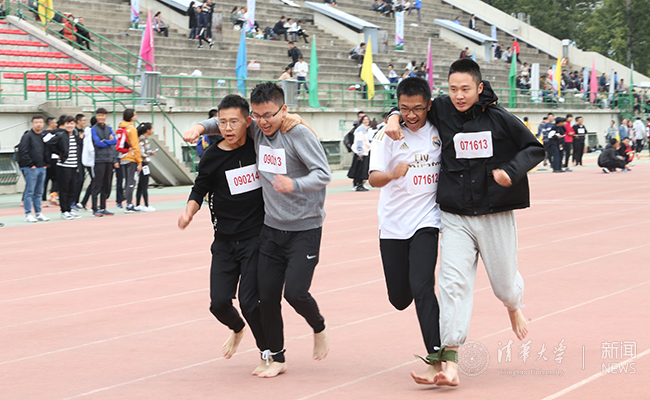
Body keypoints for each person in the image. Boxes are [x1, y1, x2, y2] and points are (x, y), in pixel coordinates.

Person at [384, 59, 544, 386]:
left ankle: (513, 304)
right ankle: (451, 364)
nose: (459, 95)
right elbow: (412, 107)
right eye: (453, 89)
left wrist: (510, 172)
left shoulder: (499, 118)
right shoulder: (441, 109)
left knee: (503, 285)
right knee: (452, 285)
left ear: (479, 88)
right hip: (455, 216)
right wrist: (392, 116)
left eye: (466, 89)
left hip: (494, 214)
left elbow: (533, 149)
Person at [184, 82, 331, 378]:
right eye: (258, 116)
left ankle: (318, 327)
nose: (263, 122)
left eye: (269, 115)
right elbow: (228, 121)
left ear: (283, 110)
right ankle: (276, 357)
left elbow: (323, 174)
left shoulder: (297, 133)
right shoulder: (256, 131)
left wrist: (294, 184)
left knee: (296, 293)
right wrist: (199, 127)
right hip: (270, 230)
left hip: (304, 228)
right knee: (266, 298)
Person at [179, 94, 272, 375]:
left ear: (247, 122)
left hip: (256, 238)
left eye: (234, 122)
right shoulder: (212, 156)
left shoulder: (259, 146)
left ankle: (268, 352)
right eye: (222, 123)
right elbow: (199, 189)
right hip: (224, 240)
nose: (228, 128)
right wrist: (189, 212)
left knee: (249, 301)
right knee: (218, 304)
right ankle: (237, 327)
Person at [369, 77, 442, 384]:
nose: (412, 115)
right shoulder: (386, 135)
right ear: (397, 107)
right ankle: (411, 287)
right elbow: (373, 178)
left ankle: (437, 358)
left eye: (418, 109)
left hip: (427, 221)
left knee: (423, 287)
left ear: (429, 105)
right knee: (400, 299)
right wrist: (391, 174)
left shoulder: (439, 129)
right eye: (404, 109)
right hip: (393, 226)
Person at [19, 115, 51, 223]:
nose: (38, 124)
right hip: (31, 168)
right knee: (30, 191)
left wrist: (45, 164)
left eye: (40, 122)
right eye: (36, 122)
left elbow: (45, 151)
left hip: (42, 168)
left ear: (43, 124)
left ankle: (38, 213)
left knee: (39, 192)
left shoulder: (41, 136)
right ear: (32, 124)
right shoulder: (27, 136)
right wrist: (31, 164)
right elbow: (23, 151)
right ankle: (28, 214)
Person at [51, 115, 83, 220]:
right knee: (64, 189)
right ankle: (64, 210)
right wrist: (58, 154)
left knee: (72, 189)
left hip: (74, 166)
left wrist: (77, 164)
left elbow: (77, 151)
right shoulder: (60, 135)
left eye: (72, 123)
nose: (70, 126)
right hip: (64, 166)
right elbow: (49, 144)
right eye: (67, 124)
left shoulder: (75, 136)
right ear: (64, 125)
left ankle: (69, 209)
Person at [90, 108, 117, 217]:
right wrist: (108, 141)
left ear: (106, 116)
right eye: (99, 115)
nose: (101, 117)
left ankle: (103, 207)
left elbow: (115, 141)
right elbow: (97, 143)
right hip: (99, 160)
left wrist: (105, 141)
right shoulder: (93, 129)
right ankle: (94, 208)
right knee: (97, 184)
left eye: (103, 115)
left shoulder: (109, 128)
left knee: (107, 184)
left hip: (109, 159)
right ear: (96, 116)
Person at [117, 109, 142, 213]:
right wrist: (139, 161)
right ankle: (129, 204)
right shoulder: (131, 129)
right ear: (131, 117)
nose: (135, 116)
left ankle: (126, 200)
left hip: (123, 157)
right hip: (131, 158)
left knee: (127, 181)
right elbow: (135, 146)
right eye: (134, 115)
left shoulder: (121, 127)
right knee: (131, 182)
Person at [135, 123, 156, 212]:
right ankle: (146, 205)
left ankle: (138, 204)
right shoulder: (143, 139)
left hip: (143, 162)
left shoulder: (143, 138)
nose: (153, 131)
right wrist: (150, 153)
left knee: (141, 184)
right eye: (152, 129)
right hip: (143, 163)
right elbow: (141, 152)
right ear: (148, 130)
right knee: (144, 184)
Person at [347, 115, 371, 191]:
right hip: (361, 153)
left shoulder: (366, 129)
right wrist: (360, 151)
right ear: (362, 121)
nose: (366, 121)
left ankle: (360, 184)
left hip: (365, 152)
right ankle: (358, 184)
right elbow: (359, 141)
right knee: (360, 170)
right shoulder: (361, 129)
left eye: (367, 119)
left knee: (362, 169)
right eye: (365, 120)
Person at [78, 116, 96, 211]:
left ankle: (84, 202)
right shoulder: (90, 132)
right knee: (95, 181)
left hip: (90, 160)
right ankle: (86, 203)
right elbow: (90, 148)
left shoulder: (89, 132)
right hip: (90, 160)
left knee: (95, 181)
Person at [72, 114, 86, 210]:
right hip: (75, 159)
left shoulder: (83, 131)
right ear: (78, 121)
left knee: (81, 180)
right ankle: (72, 201)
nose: (84, 122)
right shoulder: (74, 132)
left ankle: (77, 201)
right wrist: (80, 139)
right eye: (83, 120)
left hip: (83, 158)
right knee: (77, 180)